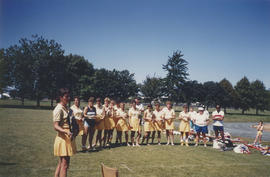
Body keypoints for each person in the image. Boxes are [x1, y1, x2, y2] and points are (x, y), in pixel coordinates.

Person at [53, 88, 76, 177]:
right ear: (61, 97)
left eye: (69, 96)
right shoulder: (58, 109)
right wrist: (65, 131)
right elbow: (55, 126)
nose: (68, 98)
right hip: (63, 139)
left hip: (67, 137)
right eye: (66, 96)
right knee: (65, 165)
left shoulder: (67, 108)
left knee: (61, 163)